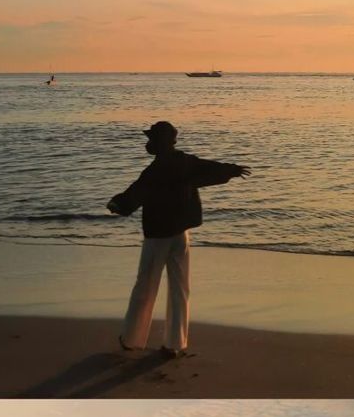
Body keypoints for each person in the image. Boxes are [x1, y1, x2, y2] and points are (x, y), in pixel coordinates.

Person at [106, 121, 251, 358]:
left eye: (151, 139)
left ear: (159, 143)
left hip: (158, 234)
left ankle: (132, 339)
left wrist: (117, 204)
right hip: (181, 232)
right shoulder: (185, 162)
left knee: (146, 285)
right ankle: (175, 343)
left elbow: (135, 194)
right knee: (180, 287)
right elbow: (210, 168)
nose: (148, 144)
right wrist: (232, 169)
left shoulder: (155, 170)